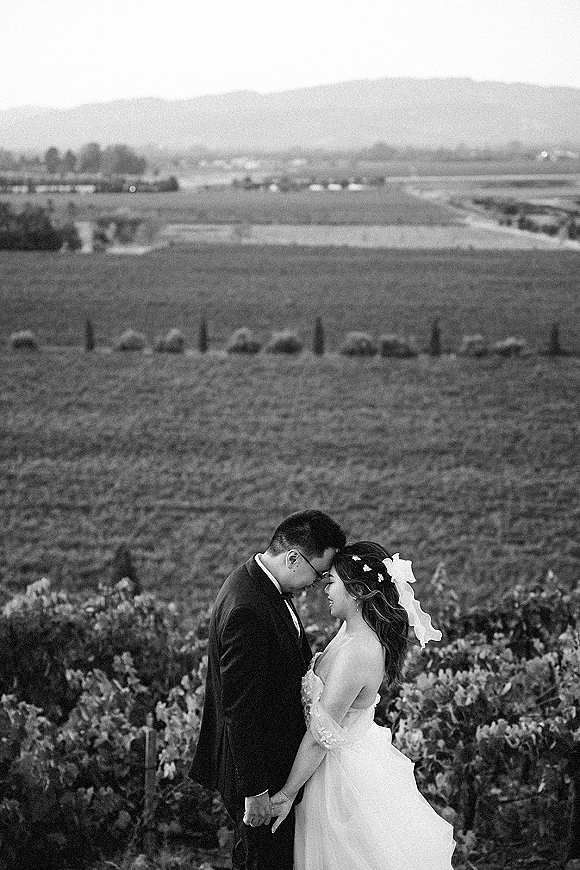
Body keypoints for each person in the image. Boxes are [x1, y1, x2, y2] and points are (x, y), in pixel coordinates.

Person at [270, 540, 456, 869]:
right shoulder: (350, 629)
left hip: (339, 777)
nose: (325, 590)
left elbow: (319, 735)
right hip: (328, 763)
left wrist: (286, 795)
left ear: (355, 591)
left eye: (333, 583)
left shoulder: (359, 652)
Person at [188, 510, 347, 870]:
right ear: (293, 558)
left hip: (273, 767)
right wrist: (255, 791)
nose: (317, 583)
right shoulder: (249, 608)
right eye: (318, 573)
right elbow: (240, 710)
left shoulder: (259, 583)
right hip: (262, 776)